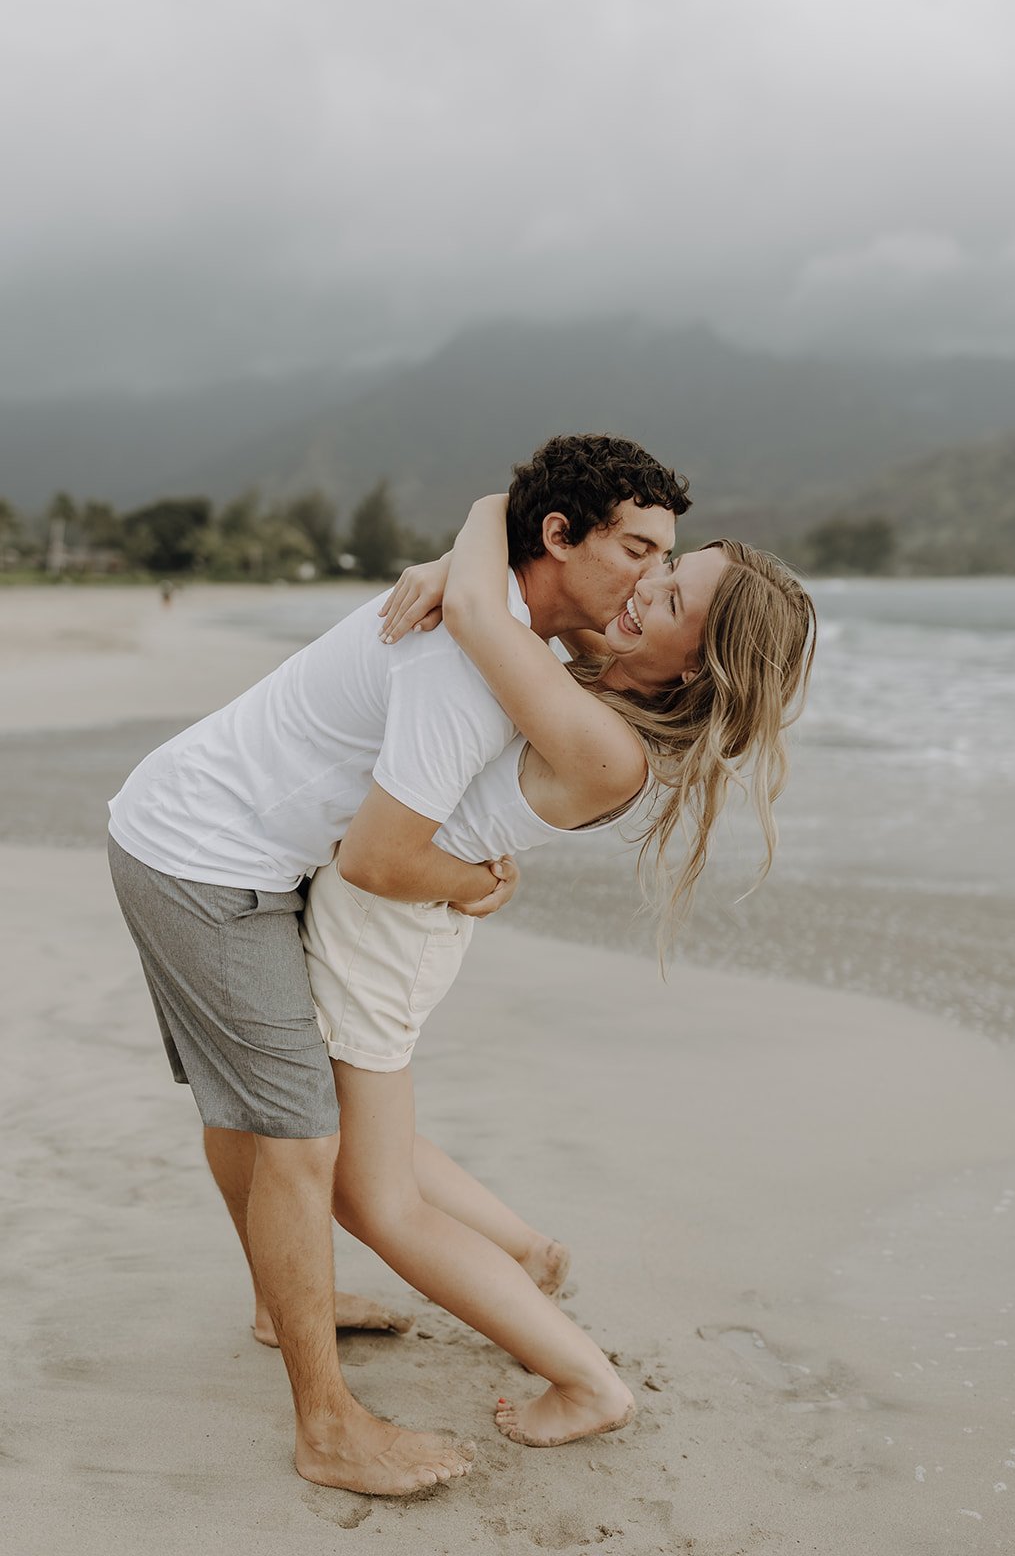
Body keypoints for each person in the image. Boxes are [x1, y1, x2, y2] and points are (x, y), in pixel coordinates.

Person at [106, 435, 689, 1497]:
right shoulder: (467, 660)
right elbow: (379, 858)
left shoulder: (495, 630)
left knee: (257, 1115)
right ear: (557, 536)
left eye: (667, 564)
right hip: (205, 860)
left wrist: (467, 545)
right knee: (294, 1139)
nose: (648, 579)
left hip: (221, 843)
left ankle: (287, 1302)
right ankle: (325, 1426)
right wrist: (474, 882)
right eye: (637, 549)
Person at [302, 492, 817, 1449]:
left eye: (666, 605)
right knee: (350, 1131)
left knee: (368, 1196)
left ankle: (584, 1380)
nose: (638, 591)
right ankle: (522, 1249)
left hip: (384, 936)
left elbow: (474, 616)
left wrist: (480, 522)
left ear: (695, 670)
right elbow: (488, 618)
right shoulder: (592, 696)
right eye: (659, 571)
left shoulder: (602, 745)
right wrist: (451, 573)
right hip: (392, 924)